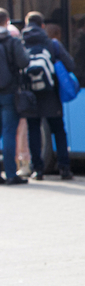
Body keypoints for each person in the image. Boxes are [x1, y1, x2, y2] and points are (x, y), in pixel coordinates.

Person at [22, 12, 75, 181]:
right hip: (51, 95)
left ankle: (38, 169)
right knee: (58, 130)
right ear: (42, 26)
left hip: (30, 96)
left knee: (34, 132)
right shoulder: (53, 44)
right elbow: (70, 65)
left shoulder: (22, 44)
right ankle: (64, 169)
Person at [0, 8, 30, 185]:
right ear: (7, 21)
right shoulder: (13, 42)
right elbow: (24, 62)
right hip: (9, 92)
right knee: (9, 132)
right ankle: (11, 173)